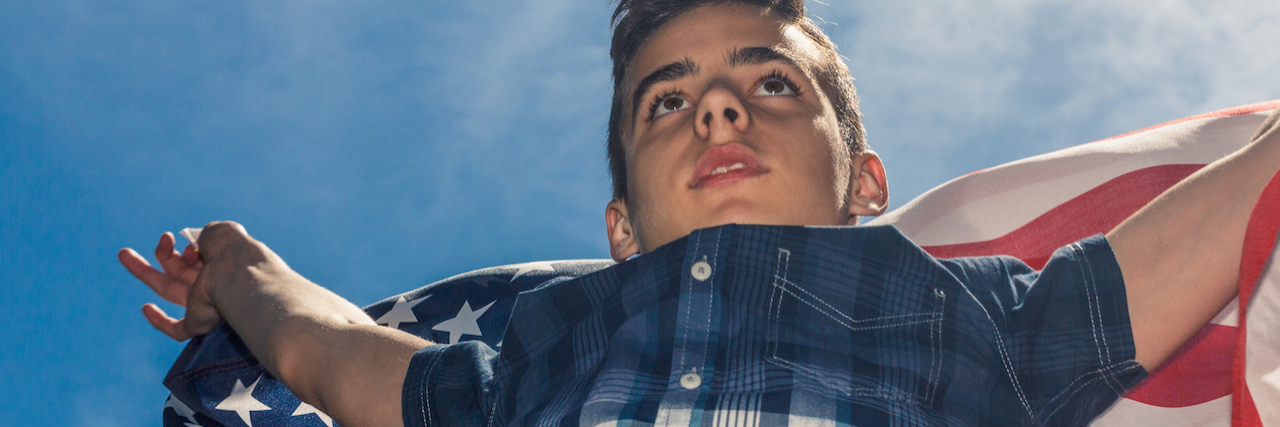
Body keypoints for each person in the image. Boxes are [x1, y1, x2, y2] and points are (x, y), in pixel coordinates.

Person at [120, 0, 1280, 426]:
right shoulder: (521, 359)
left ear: (863, 184)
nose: (716, 109)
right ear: (619, 223)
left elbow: (1190, 234)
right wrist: (236, 269)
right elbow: (337, 358)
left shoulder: (963, 317)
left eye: (769, 82)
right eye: (664, 100)